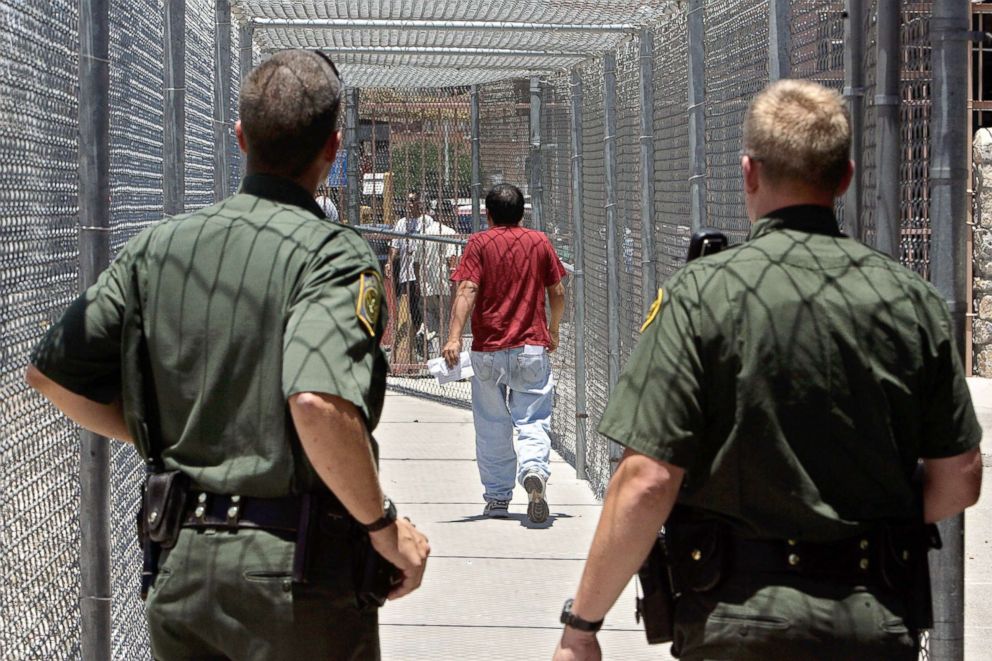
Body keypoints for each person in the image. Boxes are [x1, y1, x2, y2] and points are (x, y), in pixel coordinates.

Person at [553, 79, 983, 661]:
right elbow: (959, 478)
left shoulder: (702, 294)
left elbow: (648, 481)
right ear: (845, 177)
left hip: (738, 620)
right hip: (873, 618)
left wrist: (583, 626)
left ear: (749, 172)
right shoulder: (910, 300)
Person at [25, 50, 429, 660]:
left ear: (240, 138)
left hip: (182, 566)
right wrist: (382, 527)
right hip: (292, 572)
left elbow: (51, 373)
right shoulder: (333, 257)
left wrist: (164, 433)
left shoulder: (159, 248)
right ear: (333, 148)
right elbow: (316, 401)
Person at [442, 184, 567, 523]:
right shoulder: (539, 242)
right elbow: (556, 291)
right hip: (530, 347)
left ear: (488, 214)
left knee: (492, 425)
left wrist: (454, 337)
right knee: (533, 419)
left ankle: (497, 497)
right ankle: (534, 472)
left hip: (488, 350)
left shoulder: (479, 243)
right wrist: (553, 329)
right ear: (522, 213)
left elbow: (467, 288)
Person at [385, 192, 432, 343]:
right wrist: (389, 262)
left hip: (423, 273)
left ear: (420, 202)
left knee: (422, 306)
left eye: (413, 200)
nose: (410, 204)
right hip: (407, 273)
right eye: (408, 201)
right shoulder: (401, 223)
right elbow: (394, 246)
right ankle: (417, 338)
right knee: (412, 308)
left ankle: (423, 336)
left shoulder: (427, 221)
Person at [415, 213, 459, 359]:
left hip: (426, 284)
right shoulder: (449, 233)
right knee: (446, 321)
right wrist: (455, 282)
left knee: (430, 317)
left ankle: (423, 333)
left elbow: (416, 262)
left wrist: (417, 282)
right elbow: (451, 259)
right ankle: (447, 357)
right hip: (444, 285)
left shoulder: (423, 233)